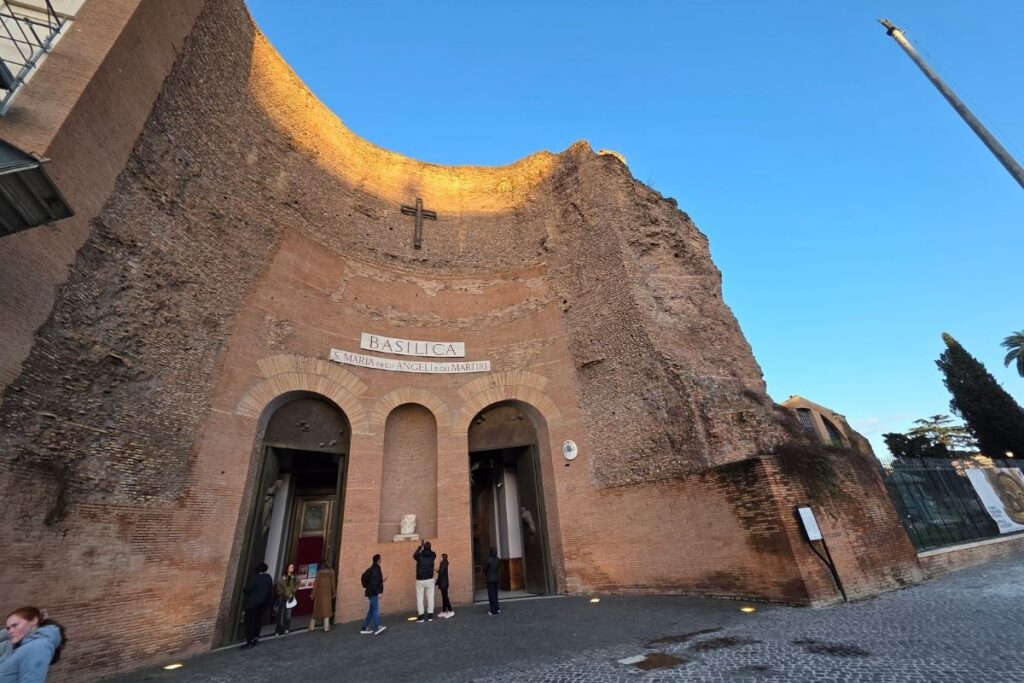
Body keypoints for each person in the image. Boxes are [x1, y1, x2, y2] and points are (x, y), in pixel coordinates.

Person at [0, 607, 64, 682]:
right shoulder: (16, 645)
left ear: (33, 621)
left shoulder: (38, 646)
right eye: (8, 628)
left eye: (15, 625)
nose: (10, 631)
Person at [241, 563, 273, 648]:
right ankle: (255, 638)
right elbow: (270, 590)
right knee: (258, 621)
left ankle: (249, 641)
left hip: (252, 603)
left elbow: (246, 590)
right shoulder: (268, 578)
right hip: (263, 603)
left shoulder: (254, 578)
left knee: (250, 622)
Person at [359, 554, 386, 635]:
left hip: (371, 592)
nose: (381, 559)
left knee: (371, 611)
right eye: (380, 558)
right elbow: (374, 583)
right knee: (375, 610)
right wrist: (378, 592)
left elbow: (374, 581)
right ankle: (377, 627)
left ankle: (364, 628)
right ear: (378, 560)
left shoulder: (373, 569)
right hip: (373, 593)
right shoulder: (375, 569)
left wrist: (382, 581)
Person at [309, 560, 336, 632]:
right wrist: (334, 592)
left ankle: (311, 627)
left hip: (319, 594)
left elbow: (315, 584)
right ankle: (326, 627)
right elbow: (333, 584)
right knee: (326, 610)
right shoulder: (332, 572)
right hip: (327, 594)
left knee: (316, 610)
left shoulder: (319, 572)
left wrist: (312, 594)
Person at [413, 540, 436, 622]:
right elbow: (431, 552)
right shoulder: (433, 555)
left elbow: (414, 555)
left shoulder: (419, 556)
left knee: (420, 597)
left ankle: (421, 616)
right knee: (430, 597)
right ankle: (430, 615)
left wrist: (420, 547)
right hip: (430, 578)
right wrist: (425, 547)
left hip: (420, 579)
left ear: (424, 548)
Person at [274, 563, 299, 636]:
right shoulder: (283, 578)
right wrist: (283, 592)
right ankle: (278, 630)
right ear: (287, 568)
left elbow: (297, 584)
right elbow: (278, 588)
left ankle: (286, 628)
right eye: (291, 567)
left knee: (288, 615)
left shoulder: (295, 577)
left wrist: (294, 590)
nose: (292, 568)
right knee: (281, 615)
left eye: (293, 567)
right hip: (283, 598)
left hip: (290, 598)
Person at [484, 548, 501, 615]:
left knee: (491, 595)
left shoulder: (488, 560)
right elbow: (498, 567)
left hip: (490, 579)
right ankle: (497, 608)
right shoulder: (497, 559)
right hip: (496, 578)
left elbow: (484, 568)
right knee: (495, 594)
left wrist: (486, 574)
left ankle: (493, 610)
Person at [436, 553, 453, 618]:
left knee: (445, 597)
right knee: (444, 597)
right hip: (444, 583)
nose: (439, 558)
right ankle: (444, 611)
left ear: (443, 558)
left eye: (440, 557)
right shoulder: (443, 564)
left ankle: (451, 611)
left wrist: (436, 582)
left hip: (444, 584)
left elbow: (441, 575)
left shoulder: (443, 565)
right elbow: (441, 572)